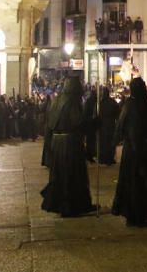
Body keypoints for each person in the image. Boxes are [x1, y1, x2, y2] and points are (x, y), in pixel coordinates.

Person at [40, 76, 96, 217]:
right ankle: (72, 206)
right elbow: (78, 122)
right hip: (70, 143)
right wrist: (94, 122)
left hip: (57, 142)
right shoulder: (72, 102)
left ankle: (71, 204)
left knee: (62, 175)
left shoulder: (56, 101)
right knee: (72, 175)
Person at [112, 77, 147, 226]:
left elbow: (121, 126)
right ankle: (146, 214)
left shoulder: (129, 105)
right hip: (146, 150)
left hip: (132, 151)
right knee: (145, 182)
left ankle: (133, 214)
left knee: (133, 182)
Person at [97, 87, 119, 165]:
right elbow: (117, 112)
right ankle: (109, 158)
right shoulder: (112, 102)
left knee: (103, 142)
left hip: (103, 125)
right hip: (110, 124)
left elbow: (97, 114)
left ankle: (103, 158)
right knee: (109, 142)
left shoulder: (100, 102)